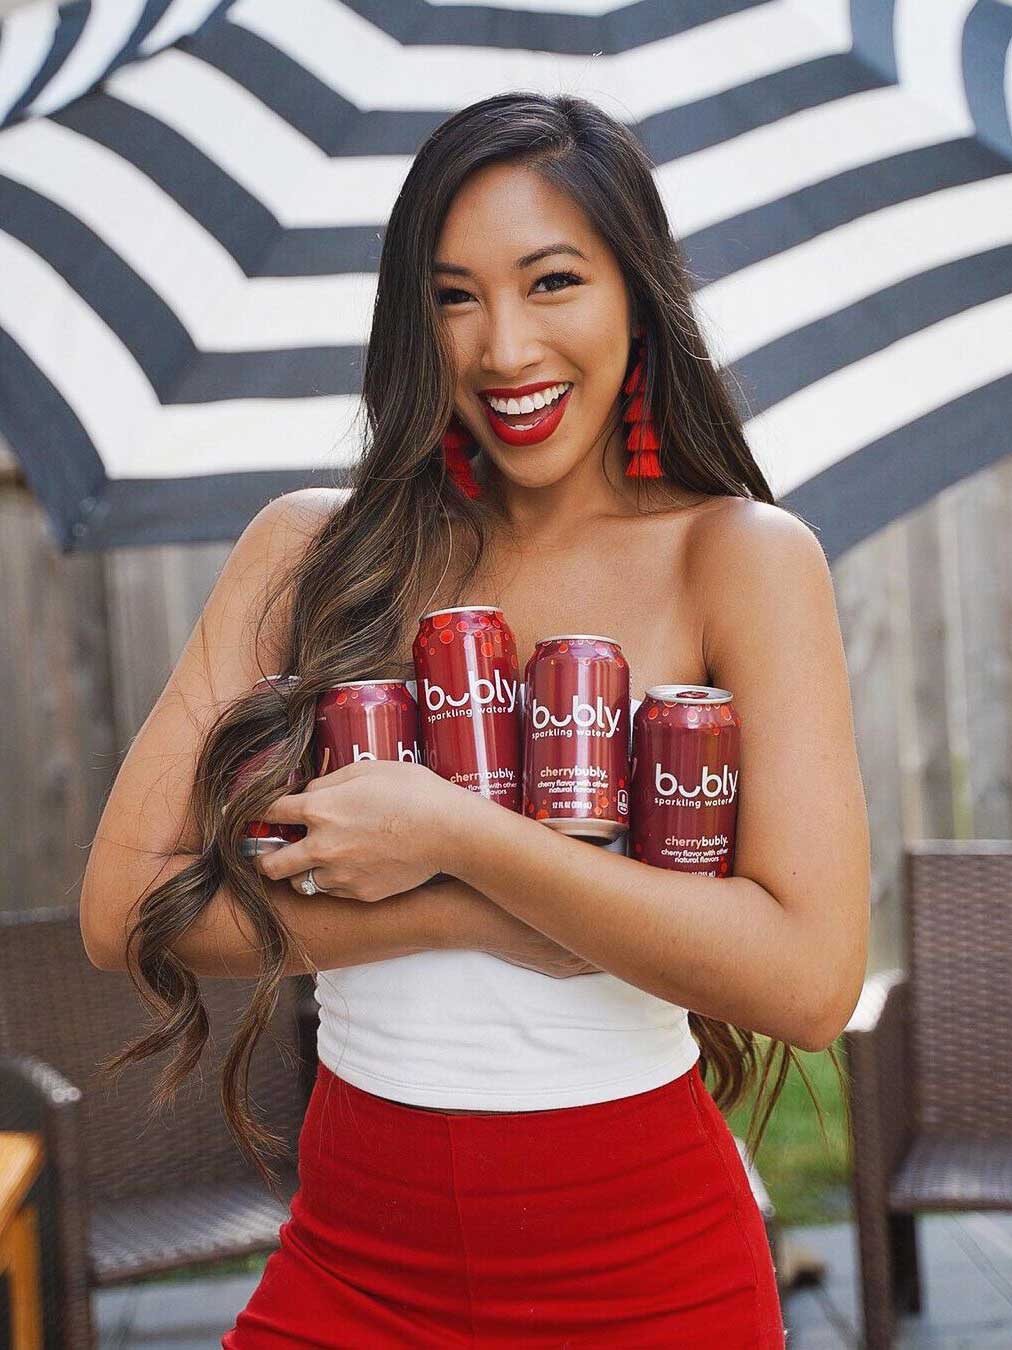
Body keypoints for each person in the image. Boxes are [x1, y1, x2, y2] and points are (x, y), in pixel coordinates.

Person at [80, 92, 870, 1348]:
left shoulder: (739, 559)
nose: (503, 348)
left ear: (636, 293)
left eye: (552, 281)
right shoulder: (310, 551)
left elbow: (810, 979)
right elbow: (124, 908)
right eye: (453, 296)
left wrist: (463, 836)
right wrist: (481, 903)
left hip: (649, 1271)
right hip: (351, 1260)